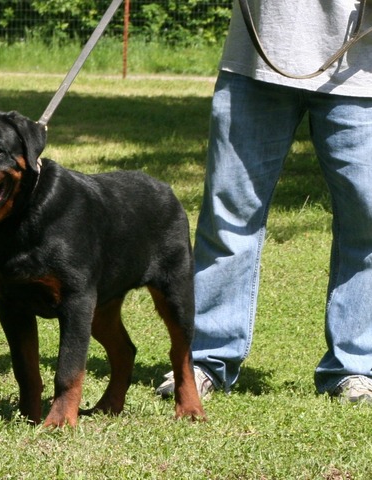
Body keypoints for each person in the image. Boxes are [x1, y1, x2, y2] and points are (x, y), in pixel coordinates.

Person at [157, 0, 372, 403]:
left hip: (362, 70)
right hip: (254, 60)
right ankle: (206, 359)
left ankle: (356, 366)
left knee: (368, 223)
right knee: (228, 216)